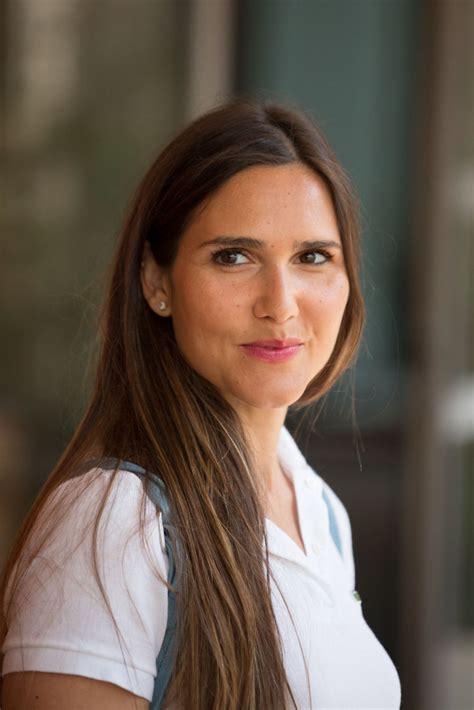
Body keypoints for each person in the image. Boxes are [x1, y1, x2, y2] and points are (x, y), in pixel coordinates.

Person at [0, 97, 401, 709]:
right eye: (234, 257)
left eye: (313, 257)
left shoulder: (319, 509)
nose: (281, 303)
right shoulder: (116, 519)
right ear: (157, 282)